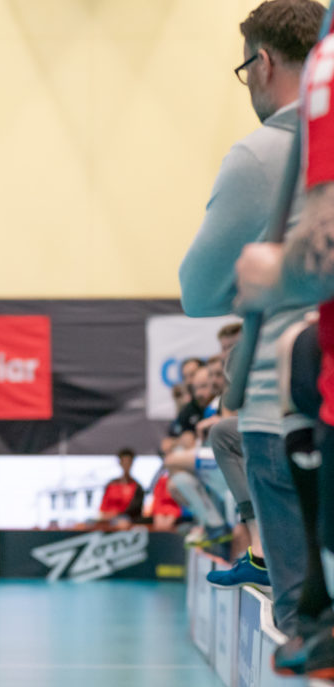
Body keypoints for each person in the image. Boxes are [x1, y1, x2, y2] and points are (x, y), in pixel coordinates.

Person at [179, 0, 324, 636]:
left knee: (306, 626)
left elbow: (199, 288)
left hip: (282, 411)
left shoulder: (264, 154)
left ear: (263, 63)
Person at [234, 21, 334, 674]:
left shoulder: (327, 67)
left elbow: (322, 247)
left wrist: (272, 271)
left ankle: (320, 615)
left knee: (298, 356)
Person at [96, 448, 146, 527]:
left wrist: (116, 514)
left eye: (128, 462)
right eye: (123, 461)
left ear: (132, 463)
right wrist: (104, 516)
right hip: (107, 518)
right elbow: (103, 506)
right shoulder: (111, 484)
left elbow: (135, 511)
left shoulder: (137, 487)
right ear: (120, 463)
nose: (126, 465)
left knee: (122, 522)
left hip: (124, 519)